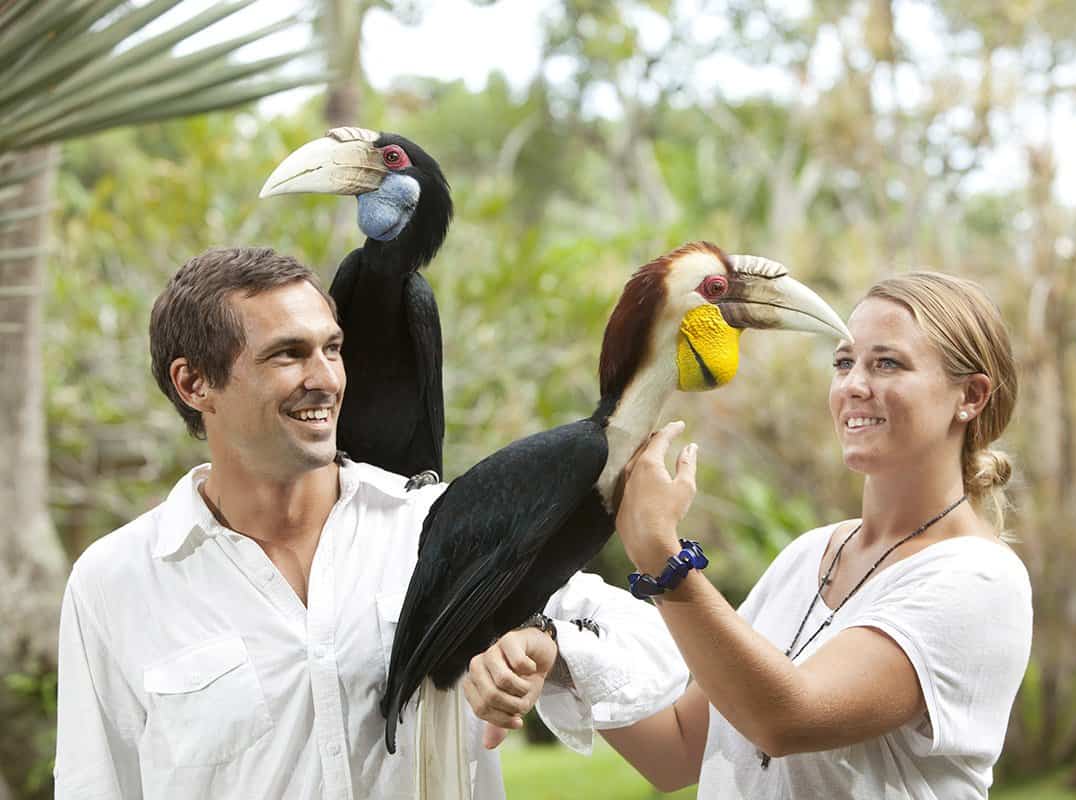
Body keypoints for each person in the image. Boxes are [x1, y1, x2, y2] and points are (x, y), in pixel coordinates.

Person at [53, 247, 686, 799]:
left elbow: (665, 667)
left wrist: (549, 648)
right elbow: (95, 784)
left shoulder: (430, 521)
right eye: (287, 356)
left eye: (332, 348)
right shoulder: (115, 581)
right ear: (195, 384)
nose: (325, 379)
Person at [468, 270, 1033, 799]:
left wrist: (661, 557)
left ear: (972, 396)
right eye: (843, 362)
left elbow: (787, 719)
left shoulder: (979, 580)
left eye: (887, 364)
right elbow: (680, 748)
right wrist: (560, 651)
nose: (853, 386)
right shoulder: (809, 555)